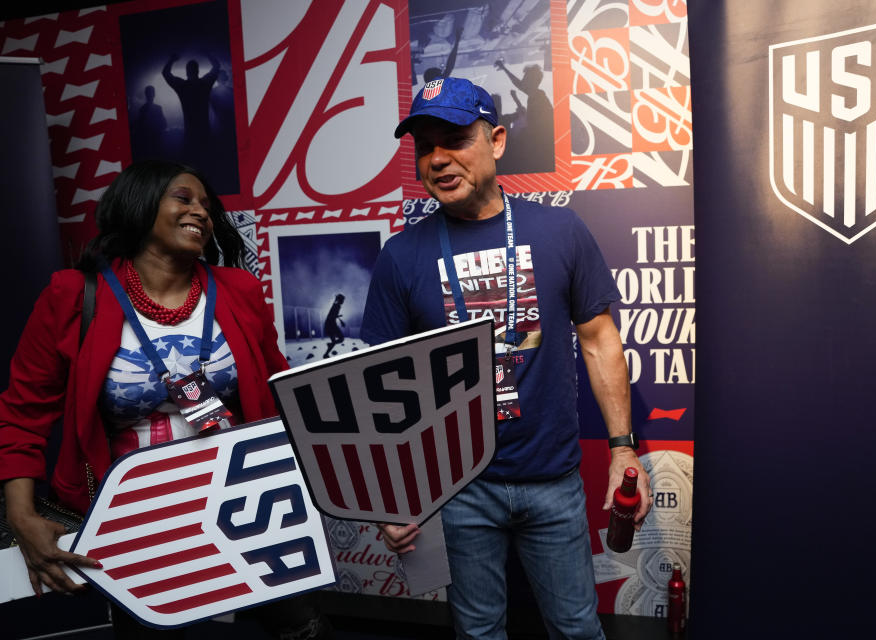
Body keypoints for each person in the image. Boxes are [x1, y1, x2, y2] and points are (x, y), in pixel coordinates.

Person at [361, 77, 653, 640]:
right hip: (458, 490)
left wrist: (622, 449)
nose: (438, 159)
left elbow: (599, 341)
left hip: (553, 481)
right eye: (425, 147)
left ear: (495, 141)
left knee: (576, 630)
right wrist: (391, 494)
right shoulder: (401, 256)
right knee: (478, 632)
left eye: (454, 139)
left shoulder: (559, 229)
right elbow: (381, 385)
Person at [0, 161, 328, 639]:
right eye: (184, 198)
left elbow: (279, 390)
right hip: (135, 516)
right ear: (139, 204)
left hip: (241, 495)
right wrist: (22, 515)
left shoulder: (238, 290)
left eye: (207, 206)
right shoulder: (72, 295)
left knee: (303, 627)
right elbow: (22, 414)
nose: (201, 211)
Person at [322, 293, 346, 358]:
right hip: (331, 325)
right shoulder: (337, 306)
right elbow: (332, 316)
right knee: (341, 338)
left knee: (334, 341)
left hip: (329, 324)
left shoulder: (335, 305)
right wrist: (341, 321)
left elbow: (332, 315)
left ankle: (326, 354)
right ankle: (329, 346)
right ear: (340, 300)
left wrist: (339, 317)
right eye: (343, 300)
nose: (343, 301)